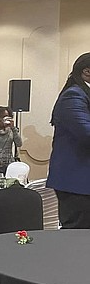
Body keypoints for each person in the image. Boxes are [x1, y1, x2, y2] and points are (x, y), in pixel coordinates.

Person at [46, 52, 90, 228]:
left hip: (82, 181)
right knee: (77, 236)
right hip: (77, 181)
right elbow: (86, 133)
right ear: (87, 71)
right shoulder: (74, 95)